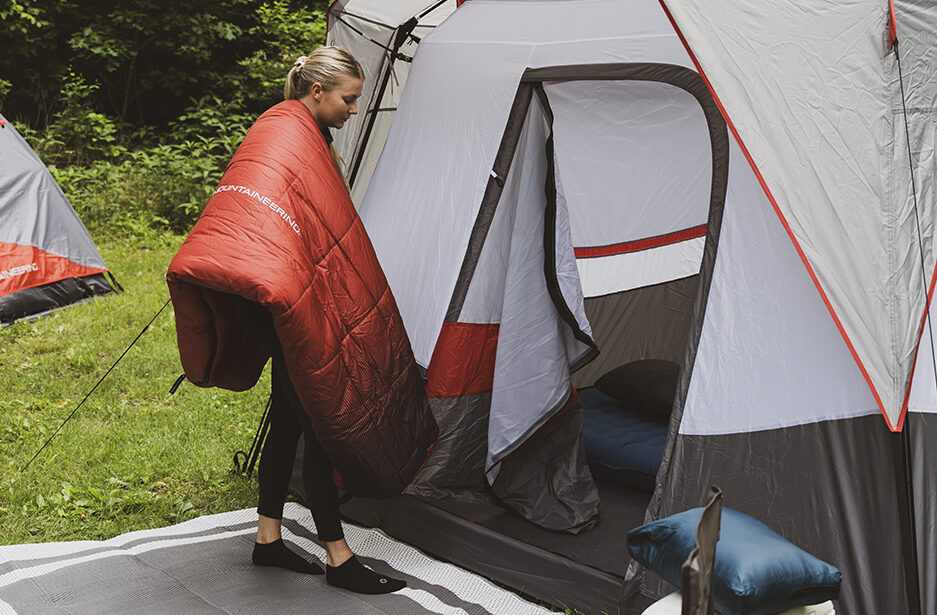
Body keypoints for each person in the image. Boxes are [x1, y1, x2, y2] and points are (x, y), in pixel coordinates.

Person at [248, 46, 406, 595]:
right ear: (317, 92)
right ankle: (339, 558)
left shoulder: (305, 135)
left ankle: (268, 541)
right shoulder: (290, 135)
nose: (354, 109)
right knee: (321, 426)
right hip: (289, 307)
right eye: (349, 98)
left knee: (290, 421)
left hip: (290, 304)